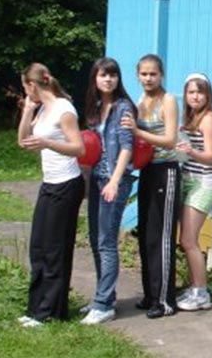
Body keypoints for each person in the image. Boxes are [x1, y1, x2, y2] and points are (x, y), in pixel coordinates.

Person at [16, 63, 85, 328]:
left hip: (67, 184)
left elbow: (78, 148)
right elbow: (23, 142)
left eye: (25, 87)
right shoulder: (43, 109)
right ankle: (35, 307)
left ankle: (51, 311)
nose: (26, 92)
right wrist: (27, 111)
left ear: (32, 85)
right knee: (38, 246)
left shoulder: (63, 109)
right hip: (49, 184)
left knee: (55, 249)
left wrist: (47, 143)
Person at [120, 54, 180, 319]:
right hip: (146, 170)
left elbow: (170, 140)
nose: (148, 78)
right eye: (144, 74)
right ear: (137, 75)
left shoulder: (168, 100)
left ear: (161, 75)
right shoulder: (141, 101)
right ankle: (150, 294)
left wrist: (137, 132)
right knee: (146, 234)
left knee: (162, 236)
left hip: (166, 170)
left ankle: (165, 301)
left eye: (153, 74)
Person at [81, 57, 136, 325]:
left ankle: (104, 305)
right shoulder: (95, 107)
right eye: (103, 75)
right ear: (95, 78)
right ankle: (105, 296)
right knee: (95, 239)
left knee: (106, 241)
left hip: (115, 180)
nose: (108, 79)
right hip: (96, 179)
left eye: (113, 75)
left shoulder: (123, 107)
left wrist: (114, 181)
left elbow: (127, 147)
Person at [176, 73, 212, 311]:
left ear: (208, 95)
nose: (195, 96)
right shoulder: (190, 117)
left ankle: (202, 293)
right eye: (191, 92)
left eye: (200, 92)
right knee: (186, 240)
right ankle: (194, 287)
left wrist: (190, 151)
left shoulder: (209, 119)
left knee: (189, 240)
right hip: (189, 181)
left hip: (204, 183)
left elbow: (211, 157)